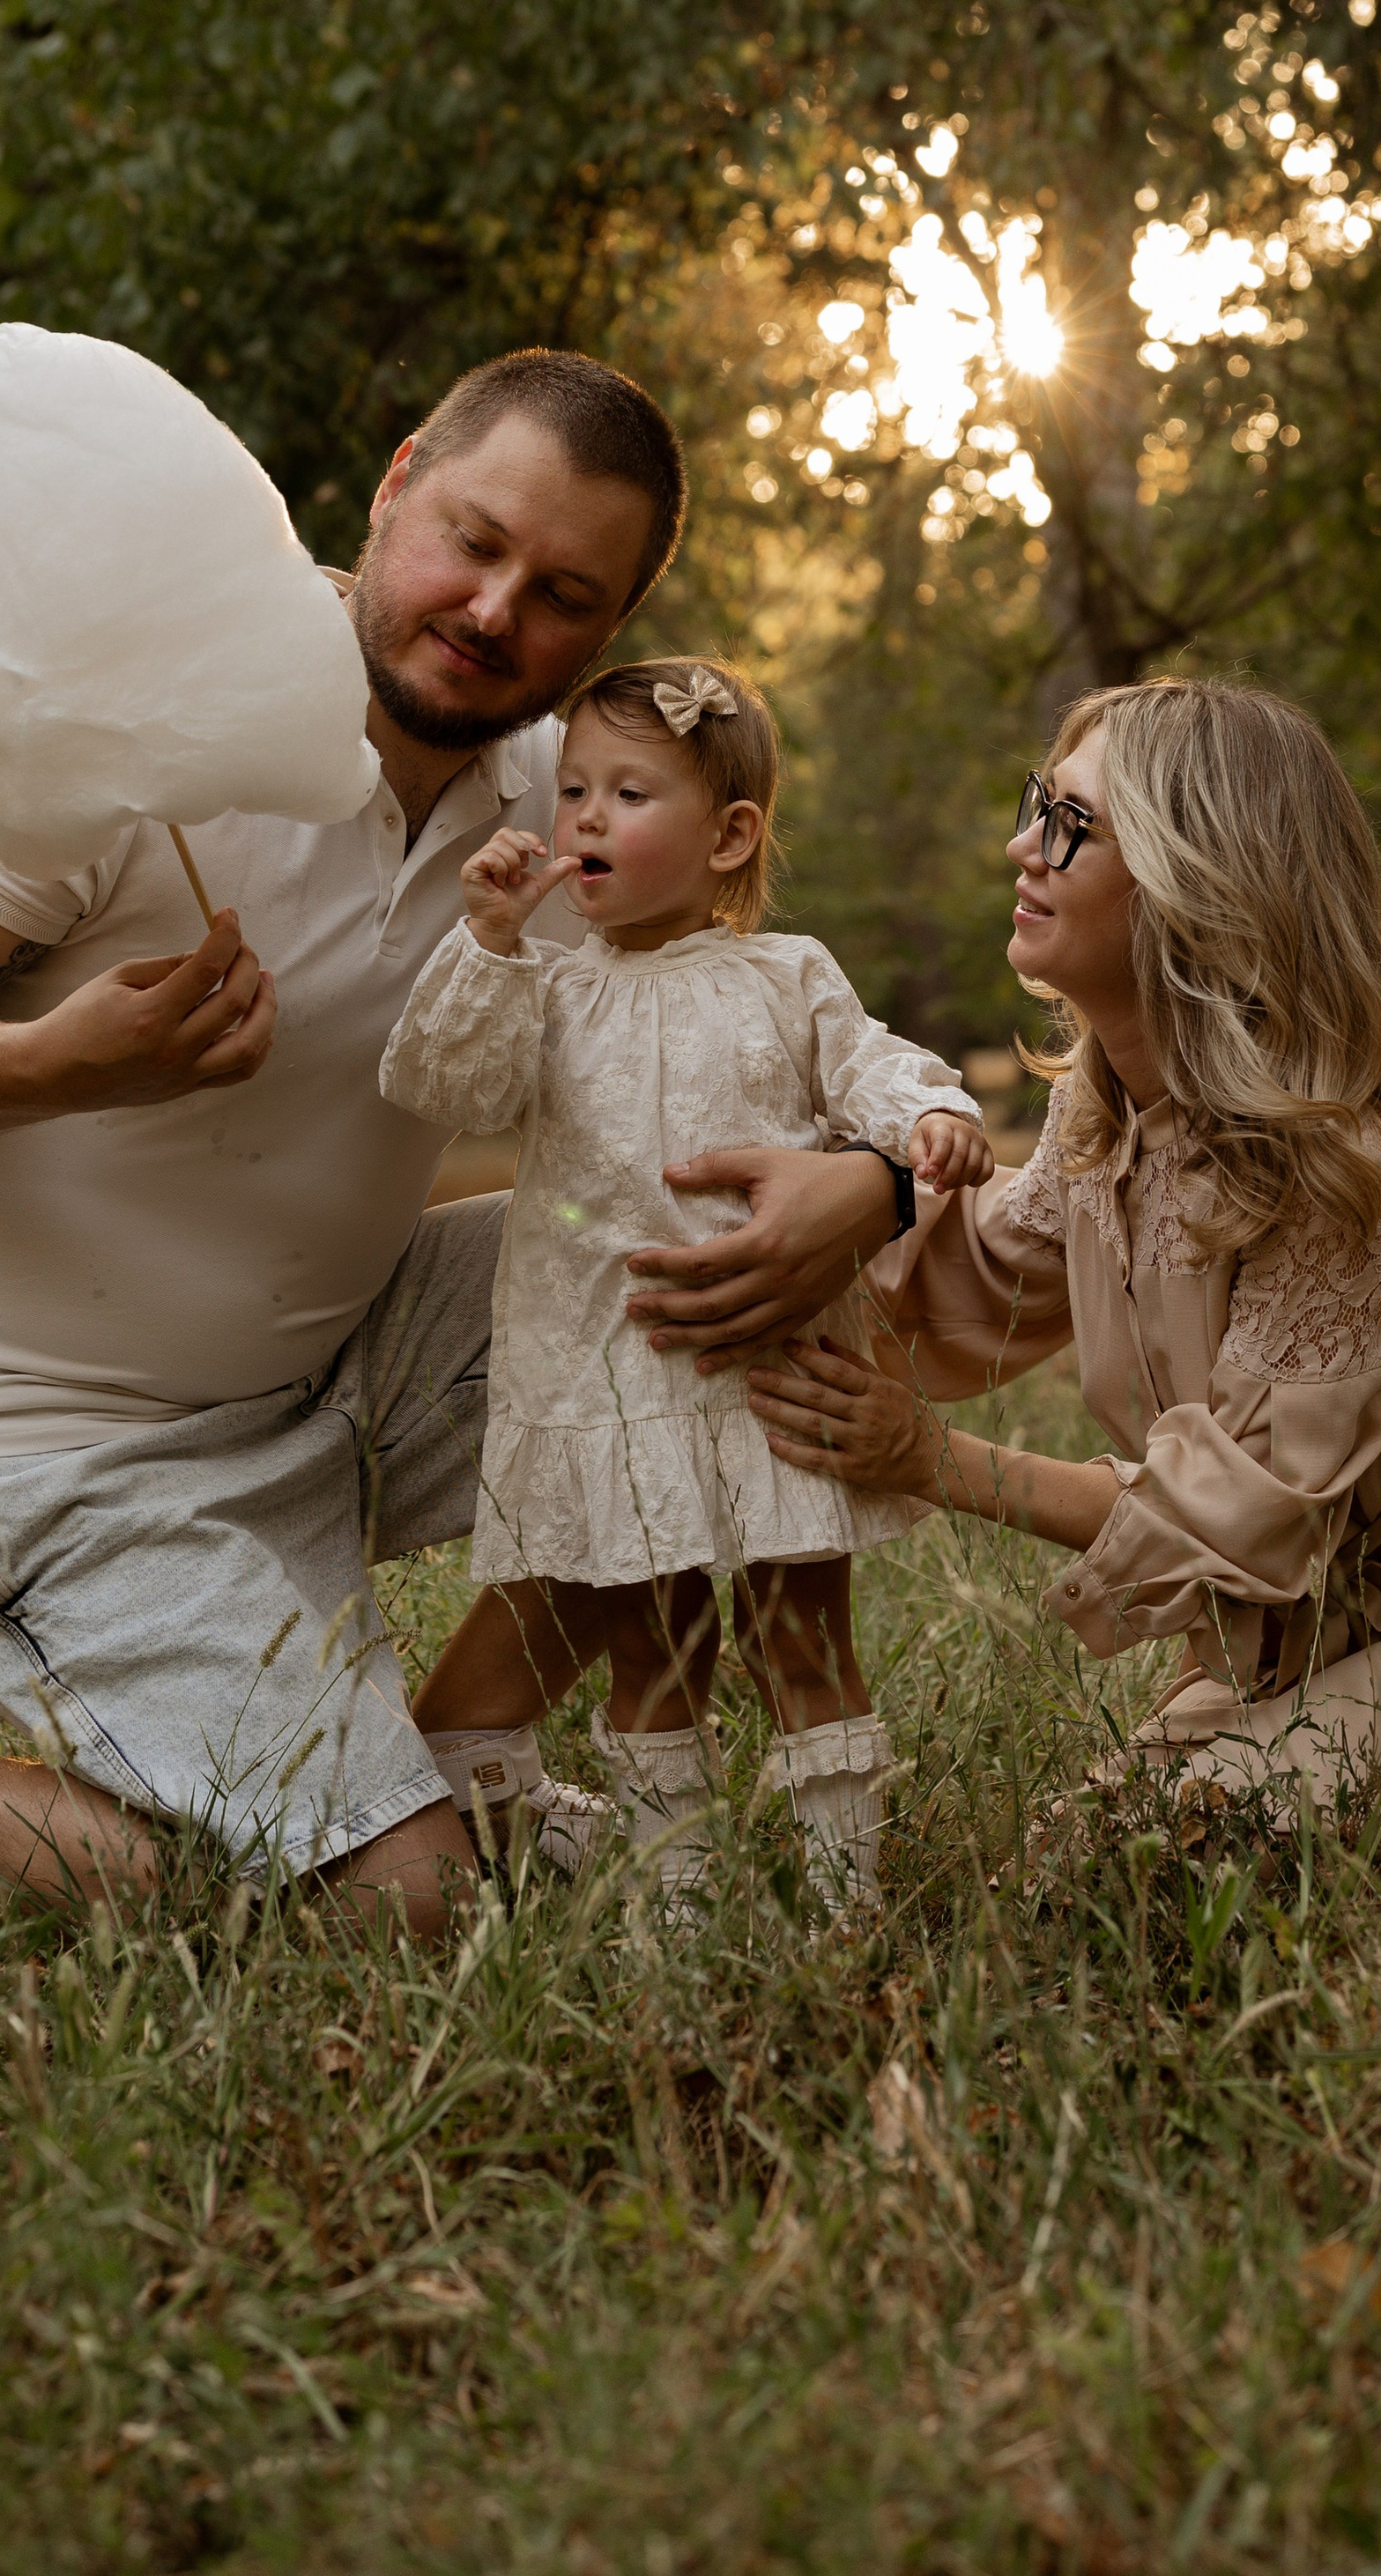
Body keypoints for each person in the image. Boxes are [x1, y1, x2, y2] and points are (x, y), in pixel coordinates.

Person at [0, 353, 921, 1954]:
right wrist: (57, 1060)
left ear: (605, 635)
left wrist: (874, 1182)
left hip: (342, 1365)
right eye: (472, 539)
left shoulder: (557, 797)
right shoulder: (136, 694)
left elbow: (730, 1042)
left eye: (561, 593)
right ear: (396, 483)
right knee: (406, 1912)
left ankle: (465, 1748)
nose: (492, 608)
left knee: (750, 1270)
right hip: (25, 1437)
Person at [747, 679, 1381, 1802]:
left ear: (1192, 882)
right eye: (1033, 803)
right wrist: (839, 1193)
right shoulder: (1101, 1114)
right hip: (1316, 1631)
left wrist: (927, 1460)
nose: (1021, 843)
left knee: (1142, 1842)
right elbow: (972, 1277)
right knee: (1117, 1830)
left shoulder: (1339, 1163)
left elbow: (1246, 1503)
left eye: (1069, 822)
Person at [381, 658, 991, 1910]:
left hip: (775, 1376)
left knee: (802, 1637)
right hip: (615, 1375)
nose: (586, 818)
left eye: (629, 793)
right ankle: (685, 1910)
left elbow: (869, 1068)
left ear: (729, 836)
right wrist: (488, 938)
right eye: (573, 793)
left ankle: (846, 1899)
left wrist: (928, 1120)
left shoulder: (787, 976)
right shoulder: (545, 990)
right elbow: (447, 1087)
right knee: (655, 1652)